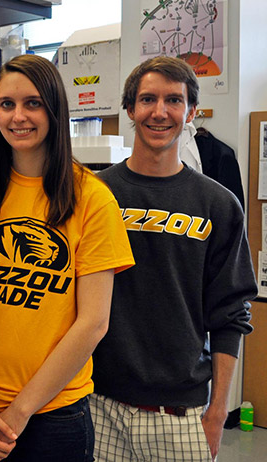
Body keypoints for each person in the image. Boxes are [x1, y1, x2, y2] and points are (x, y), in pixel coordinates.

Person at [0, 54, 134, 462]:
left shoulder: (92, 199)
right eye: (6, 104)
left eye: (33, 103)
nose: (19, 116)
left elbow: (93, 323)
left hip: (54, 417)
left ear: (54, 109)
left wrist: (20, 411)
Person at [92, 56, 256, 462]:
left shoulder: (218, 205)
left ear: (191, 112)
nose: (160, 112)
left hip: (179, 414)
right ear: (130, 109)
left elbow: (230, 313)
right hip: (95, 404)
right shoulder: (94, 196)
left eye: (173, 100)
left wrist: (217, 411)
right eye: (147, 99)